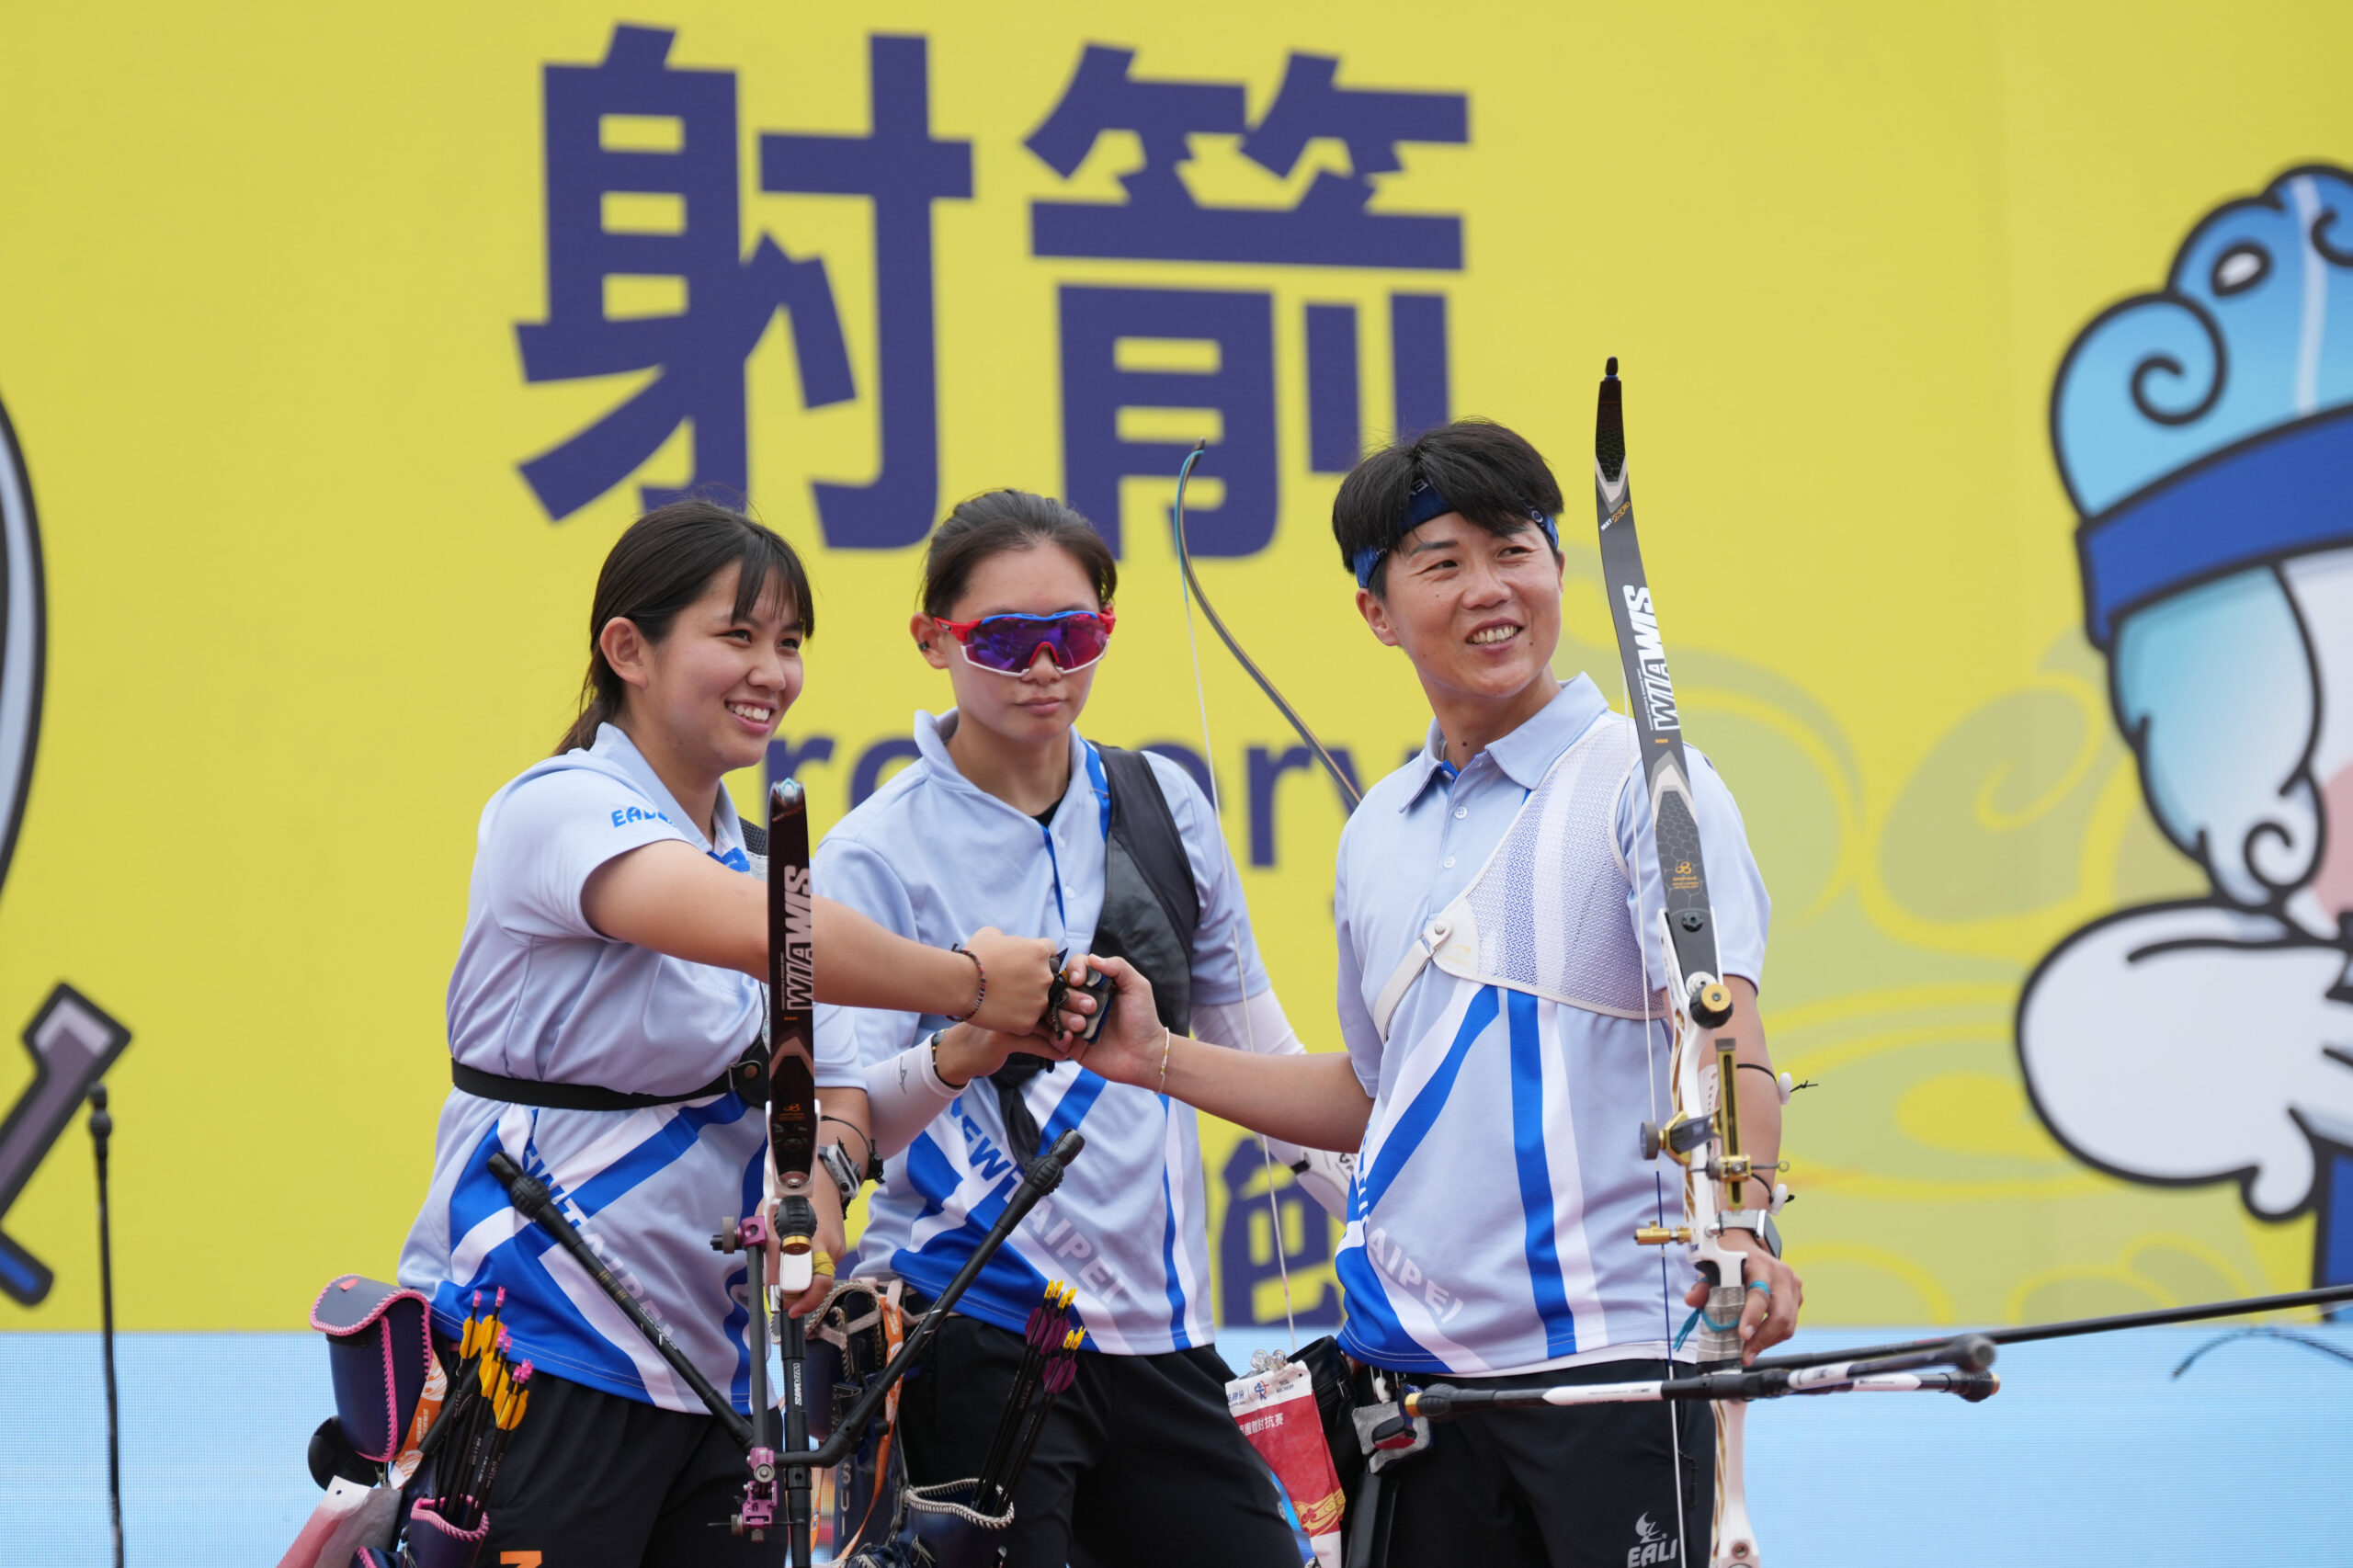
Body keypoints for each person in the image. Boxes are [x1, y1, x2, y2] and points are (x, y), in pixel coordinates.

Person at [1071, 420, 1804, 1568]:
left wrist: (1744, 1226)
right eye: (1441, 562)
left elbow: (1721, 1034)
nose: (1489, 589)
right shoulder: (1377, 830)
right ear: (1376, 608)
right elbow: (1374, 1094)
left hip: (1607, 1363)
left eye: (1513, 548)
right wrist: (1150, 1055)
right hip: (1413, 1382)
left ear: (1561, 565)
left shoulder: (1645, 782)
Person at [396, 500, 1072, 1568]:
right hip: (539, 1342)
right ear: (629, 648)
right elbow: (772, 934)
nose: (773, 670)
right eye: (738, 635)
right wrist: (973, 982)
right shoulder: (560, 807)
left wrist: (944, 1068)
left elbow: (841, 1102)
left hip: (721, 1379)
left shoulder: (758, 861)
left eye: (791, 643)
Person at [812, 489, 1322, 1568]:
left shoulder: (1163, 804)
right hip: (974, 1329)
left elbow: (1261, 1064)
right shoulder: (873, 852)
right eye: (1005, 640)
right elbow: (852, 1120)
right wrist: (967, 1035)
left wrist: (1386, 1225)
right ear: (932, 640)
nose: (1045, 666)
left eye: (1074, 635)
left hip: (1164, 1339)